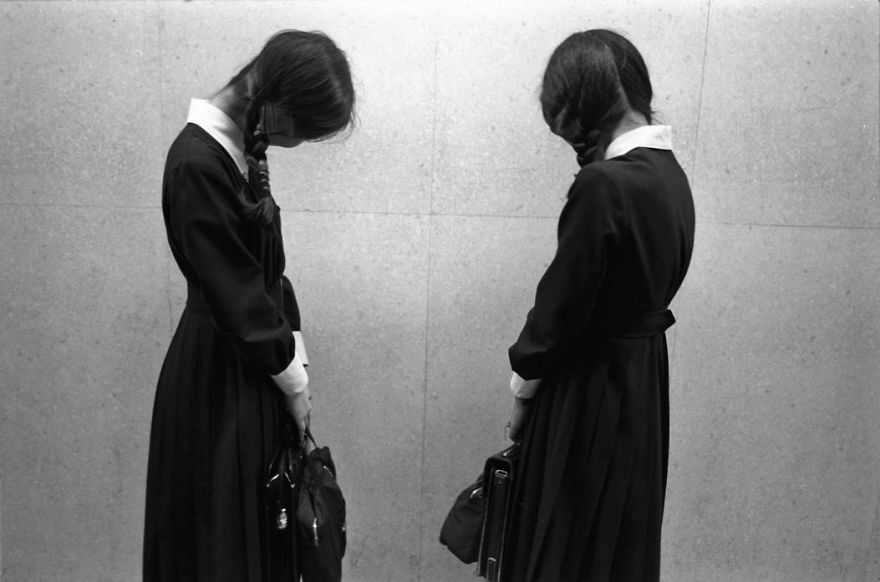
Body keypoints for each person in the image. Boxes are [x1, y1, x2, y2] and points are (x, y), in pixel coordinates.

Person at [143, 30, 355, 581]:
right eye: (303, 130)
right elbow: (236, 295)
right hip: (218, 376)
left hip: (249, 368)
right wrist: (294, 383)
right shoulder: (197, 162)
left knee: (254, 532)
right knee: (220, 540)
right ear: (278, 100)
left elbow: (268, 280)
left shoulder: (235, 154)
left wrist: (294, 365)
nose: (299, 143)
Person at [504, 30, 695, 582]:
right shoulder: (670, 176)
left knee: (564, 544)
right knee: (617, 546)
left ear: (583, 105)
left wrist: (524, 386)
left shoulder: (605, 184)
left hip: (590, 386)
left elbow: (561, 306)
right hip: (642, 385)